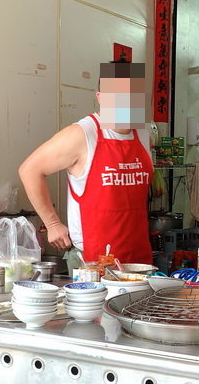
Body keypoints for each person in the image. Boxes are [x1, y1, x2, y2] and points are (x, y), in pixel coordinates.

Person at [18, 61, 152, 265]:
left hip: (138, 256)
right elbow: (29, 170)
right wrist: (53, 224)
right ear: (100, 97)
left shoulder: (142, 134)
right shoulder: (83, 134)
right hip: (91, 260)